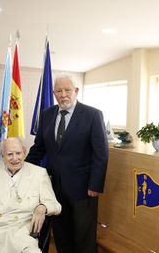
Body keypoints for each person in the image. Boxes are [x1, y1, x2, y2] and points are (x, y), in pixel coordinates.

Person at [26, 74, 108, 253]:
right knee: (62, 233)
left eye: (67, 90)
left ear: (76, 91)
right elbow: (38, 148)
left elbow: (100, 154)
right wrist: (21, 170)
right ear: (54, 93)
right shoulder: (47, 115)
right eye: (59, 91)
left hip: (83, 188)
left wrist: (95, 184)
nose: (63, 95)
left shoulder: (92, 115)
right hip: (54, 187)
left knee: (83, 236)